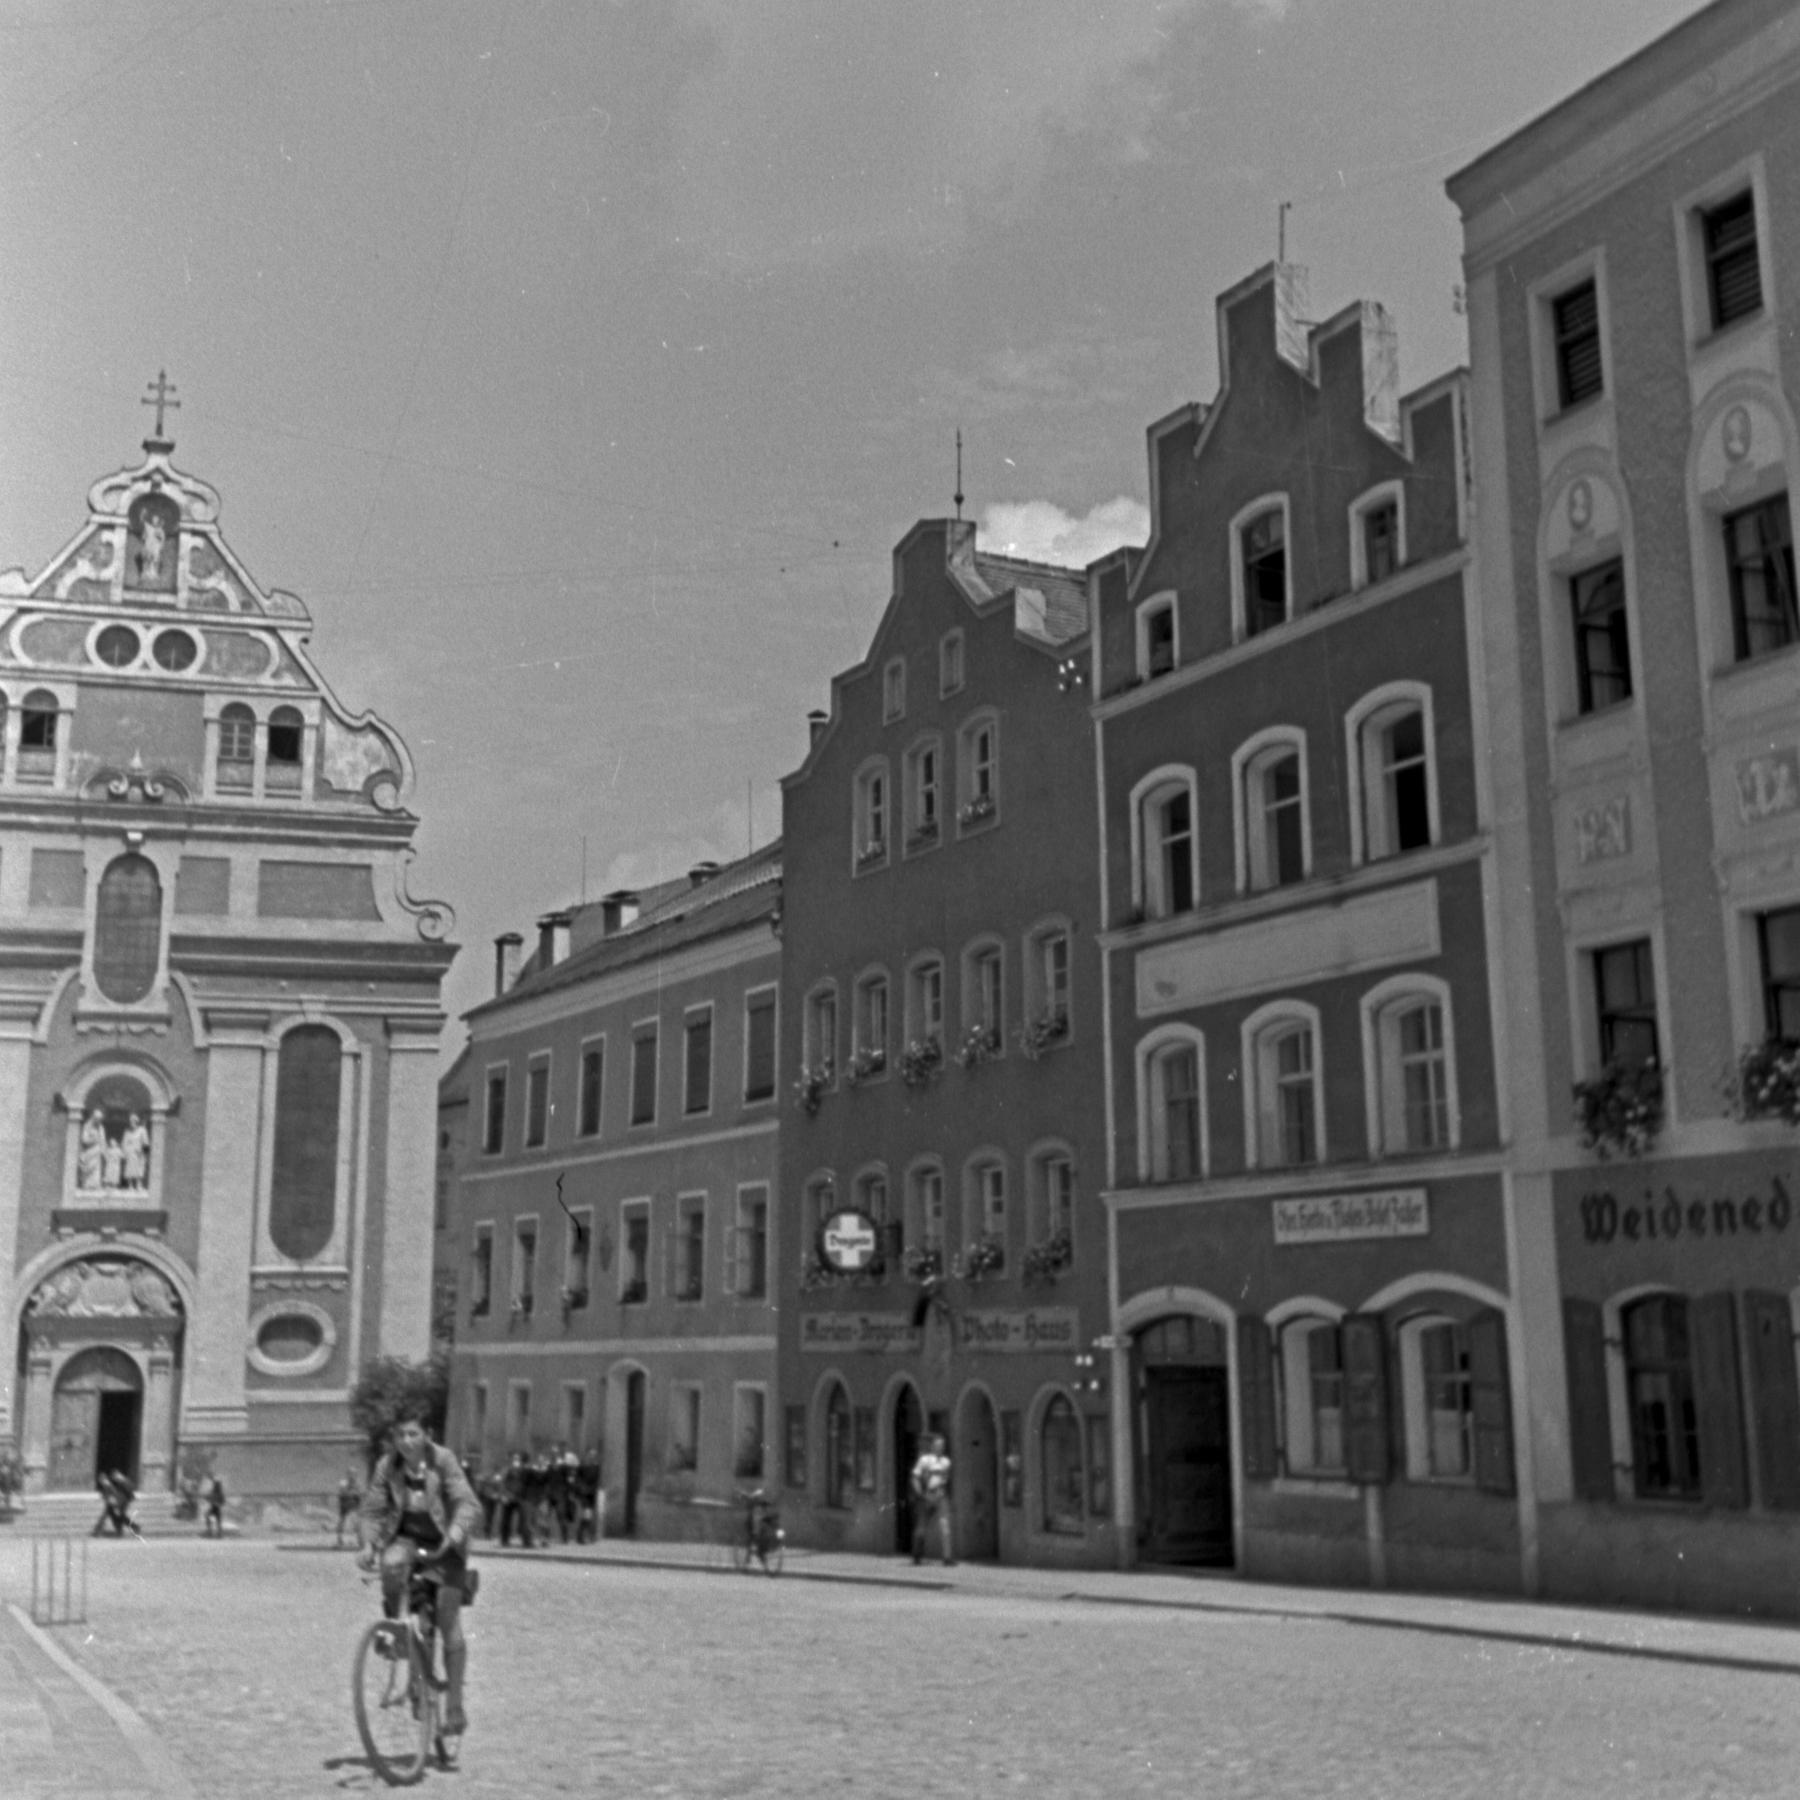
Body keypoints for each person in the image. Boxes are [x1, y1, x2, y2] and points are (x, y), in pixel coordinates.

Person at [357, 1409, 477, 1741]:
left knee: (447, 1618)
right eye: (400, 1435)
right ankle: (398, 1630)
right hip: (407, 1541)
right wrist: (368, 1544)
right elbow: (372, 1510)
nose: (407, 1442)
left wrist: (455, 1534)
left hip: (445, 1544)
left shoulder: (443, 1461)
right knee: (390, 1564)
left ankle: (454, 1705)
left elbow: (467, 1504)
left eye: (413, 1434)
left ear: (427, 1436)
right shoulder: (388, 1466)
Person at [909, 1433, 953, 1566]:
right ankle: (917, 1554)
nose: (940, 1448)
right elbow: (915, 1476)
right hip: (927, 1495)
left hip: (941, 1495)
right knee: (921, 1527)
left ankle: (947, 1557)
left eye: (942, 1445)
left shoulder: (946, 1462)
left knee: (945, 1526)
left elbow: (946, 1479)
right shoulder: (925, 1460)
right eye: (938, 1445)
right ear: (933, 1446)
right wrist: (919, 1493)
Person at [498, 1451, 533, 1548]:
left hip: (520, 1497)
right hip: (508, 1497)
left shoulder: (524, 1470)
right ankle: (504, 1540)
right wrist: (503, 1495)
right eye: (515, 1459)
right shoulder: (507, 1470)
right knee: (506, 1520)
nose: (516, 1461)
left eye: (518, 1459)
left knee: (525, 1520)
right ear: (512, 1460)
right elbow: (502, 1483)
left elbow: (527, 1483)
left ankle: (527, 1541)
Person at [336, 1468, 361, 1547]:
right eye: (350, 1473)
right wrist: (350, 1491)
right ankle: (339, 1539)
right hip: (344, 1504)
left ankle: (359, 1539)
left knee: (357, 1522)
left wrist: (357, 1502)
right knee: (341, 1522)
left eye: (354, 1474)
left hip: (353, 1505)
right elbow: (341, 1494)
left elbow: (358, 1496)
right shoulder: (343, 1483)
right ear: (347, 1474)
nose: (352, 1476)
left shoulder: (357, 1484)